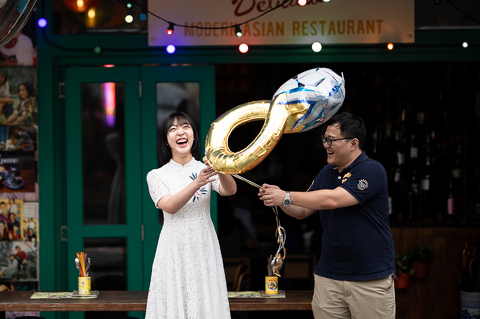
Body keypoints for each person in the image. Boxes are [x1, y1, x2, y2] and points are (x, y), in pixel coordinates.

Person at [258, 112, 396, 319]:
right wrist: (280, 199)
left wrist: (285, 195)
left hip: (370, 278)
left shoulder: (371, 170)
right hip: (328, 276)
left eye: (331, 140)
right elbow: (302, 211)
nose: (325, 145)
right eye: (324, 139)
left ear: (353, 143)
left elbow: (333, 200)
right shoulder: (327, 172)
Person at [145, 112, 237, 319]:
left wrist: (220, 166)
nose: (180, 132)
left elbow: (230, 190)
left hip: (203, 243)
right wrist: (196, 182)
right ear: (166, 141)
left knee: (206, 299)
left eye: (185, 126)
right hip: (173, 246)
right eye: (173, 129)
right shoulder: (156, 175)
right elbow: (169, 206)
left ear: (194, 135)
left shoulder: (205, 167)